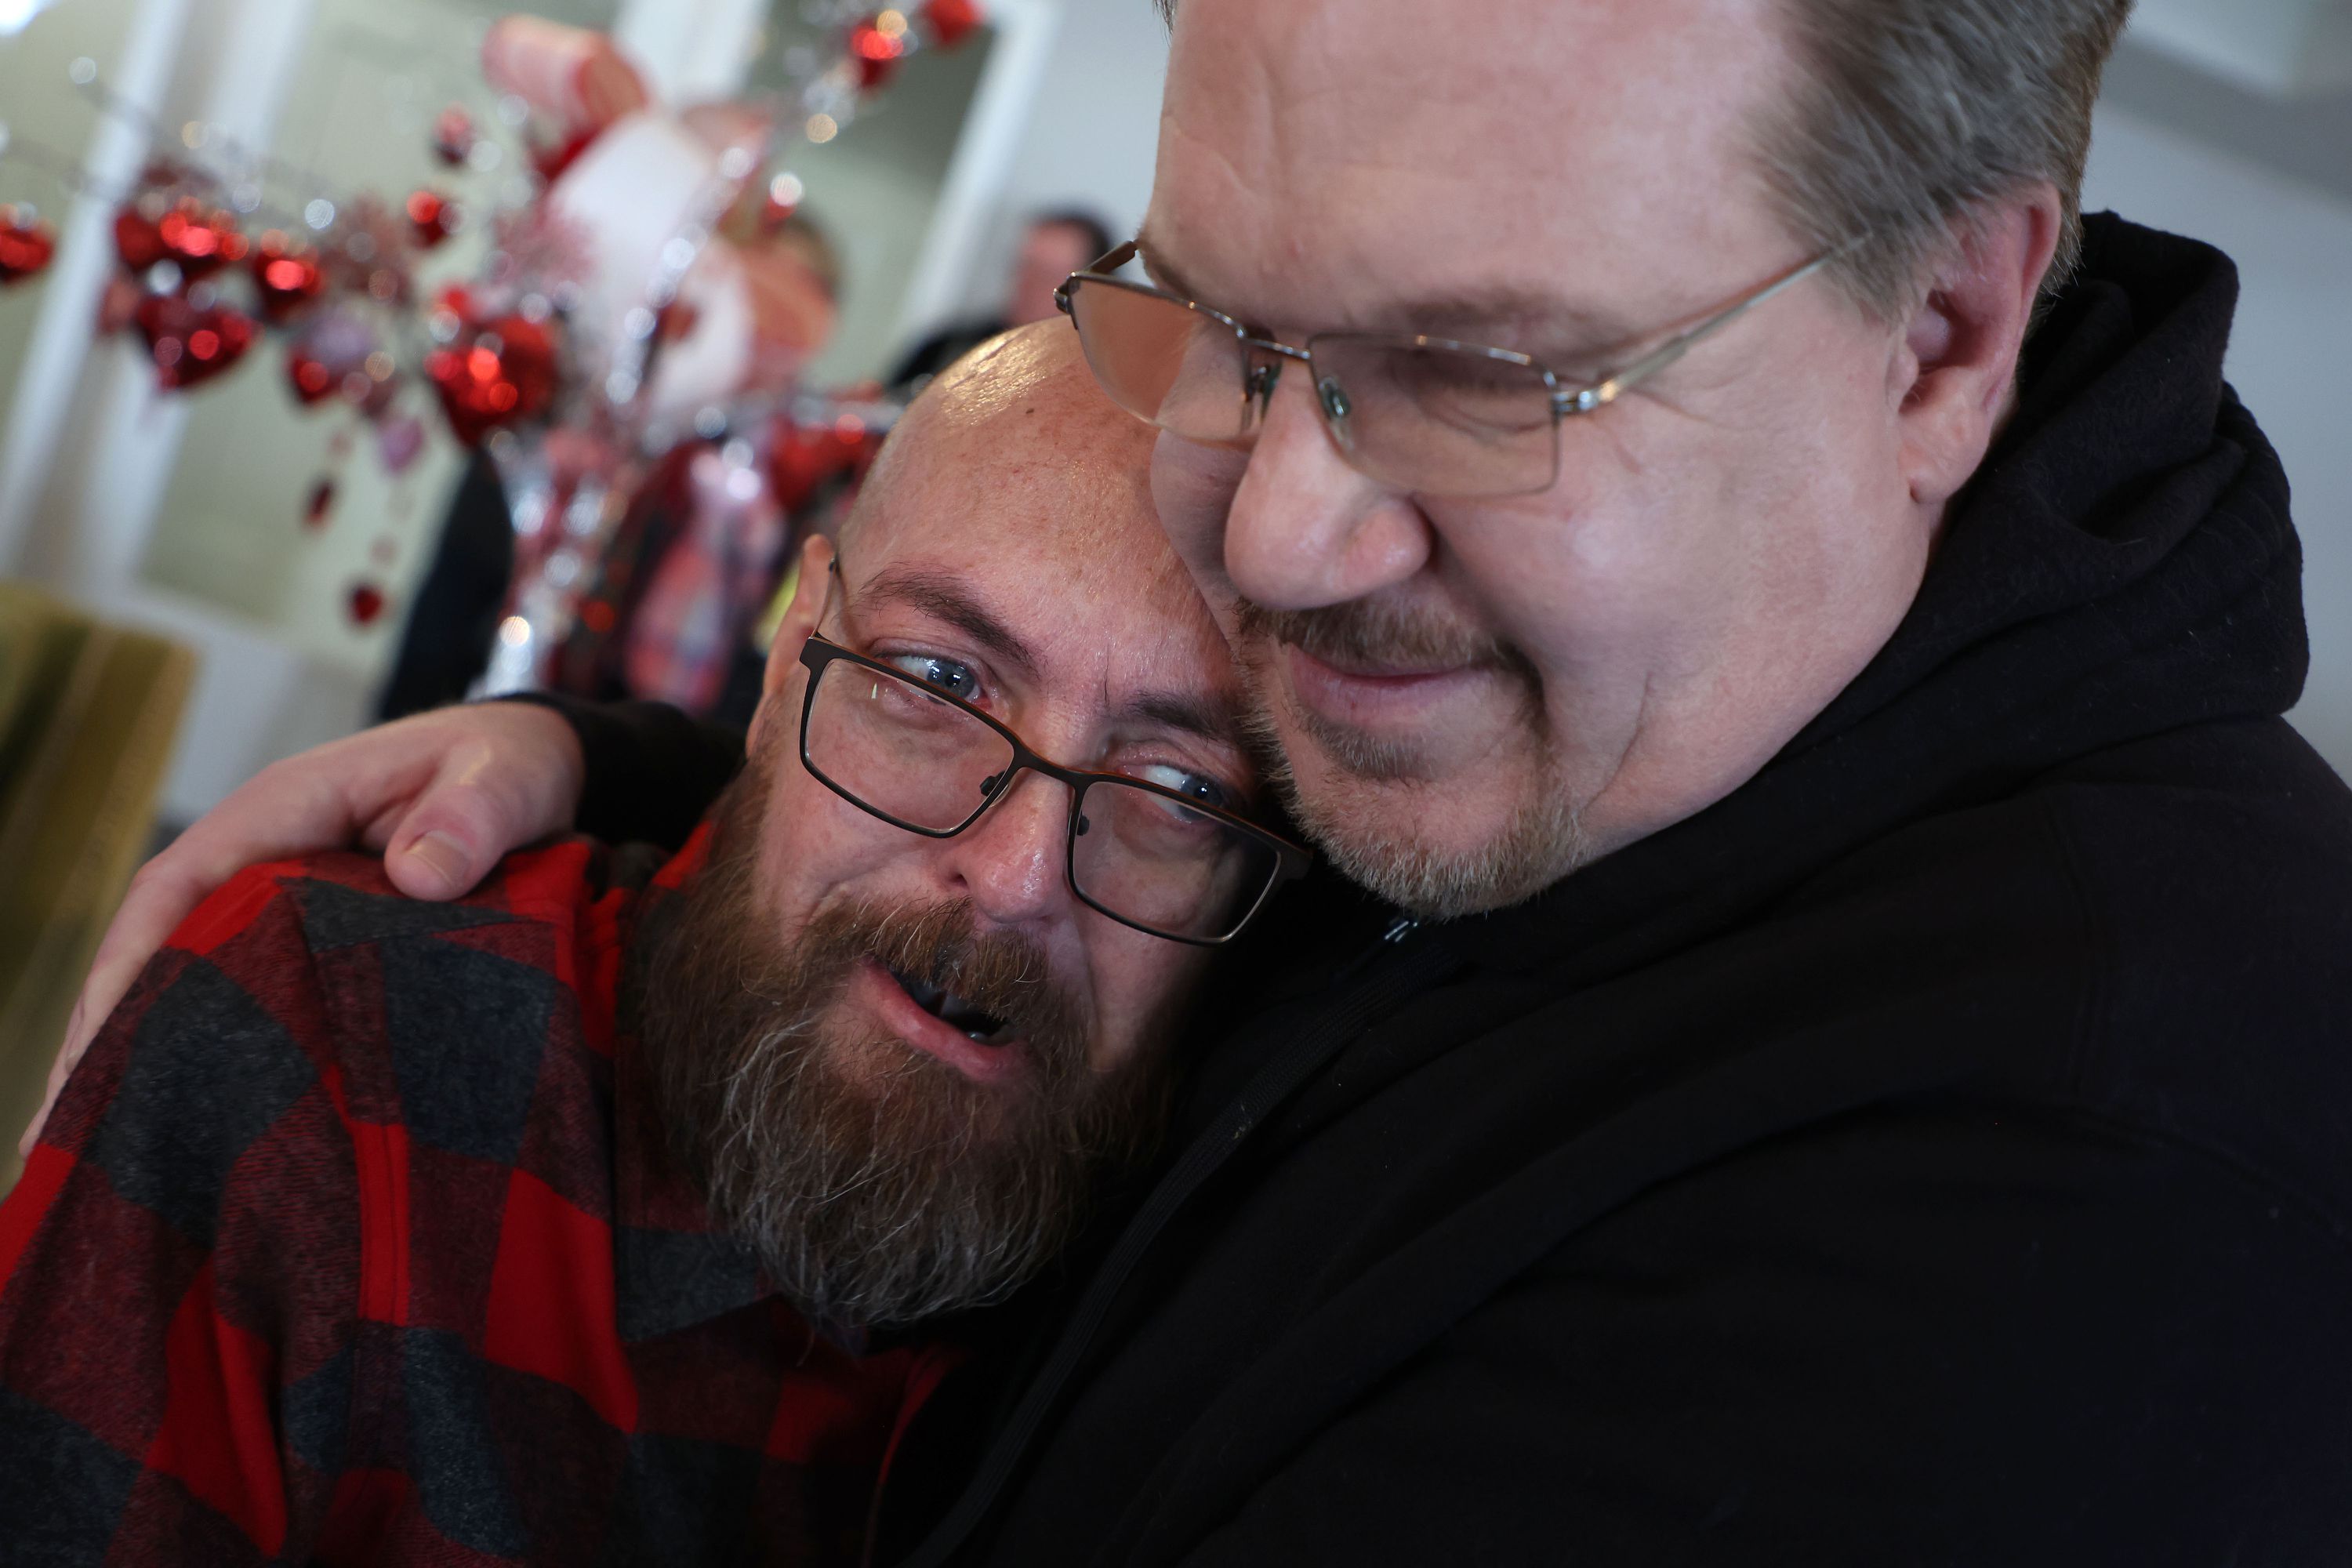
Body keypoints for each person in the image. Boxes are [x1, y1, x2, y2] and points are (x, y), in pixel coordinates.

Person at [31, 0, 2352, 1560]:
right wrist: (696, 773)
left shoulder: (2101, 1188)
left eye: (1473, 373)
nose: (1266, 535)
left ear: (1941, 337)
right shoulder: (1611, 757)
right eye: (1228, 327)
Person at [0, 327, 1302, 1563]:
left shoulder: (1248, 1285)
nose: (1018, 877)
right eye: (940, 684)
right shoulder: (334, 1064)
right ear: (793, 659)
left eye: (1180, 792)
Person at [884, 209, 1115, 391]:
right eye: (1023, 267)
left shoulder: (1101, 381)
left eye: (1047, 275)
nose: (1027, 284)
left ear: (1091, 294)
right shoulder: (947, 346)